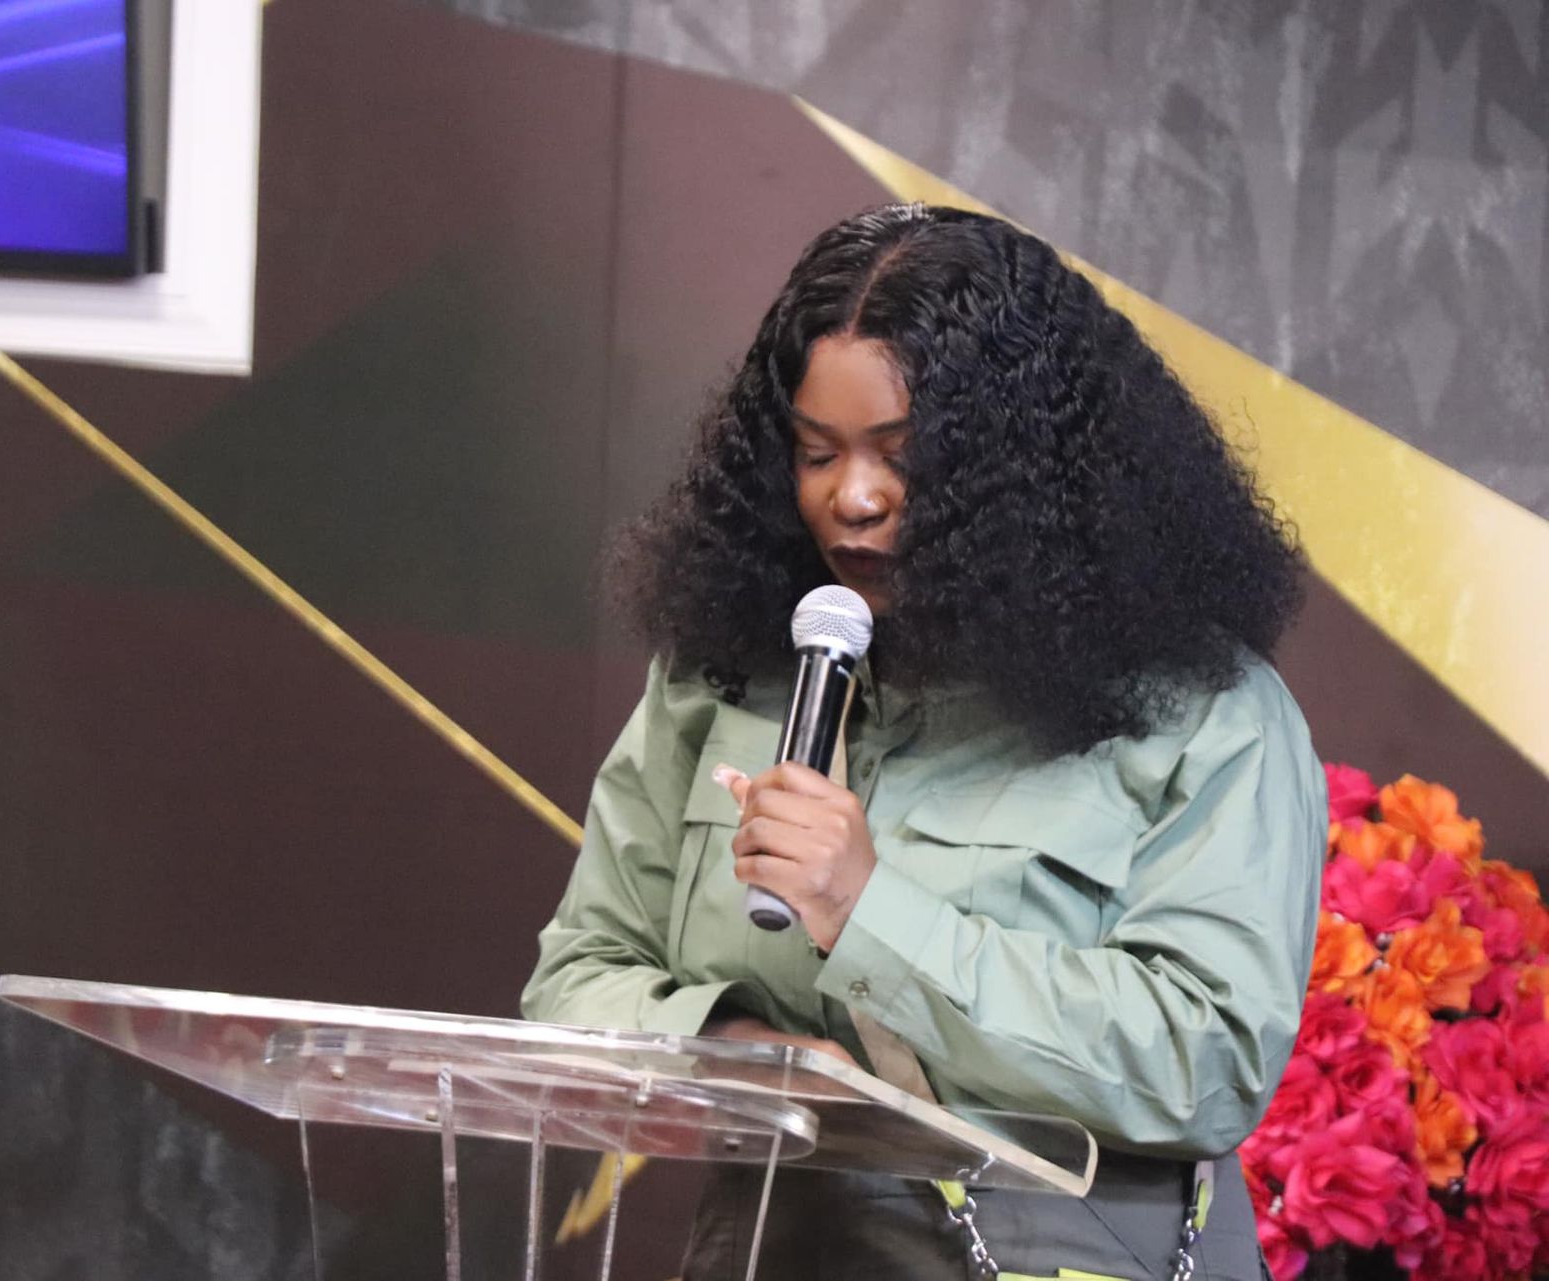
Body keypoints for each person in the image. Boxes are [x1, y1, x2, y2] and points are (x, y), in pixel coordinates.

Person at [522, 204, 1325, 1280]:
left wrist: (868, 913)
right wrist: (727, 1055)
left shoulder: (1207, 713)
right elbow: (580, 972)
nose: (851, 497)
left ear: (1030, 471)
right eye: (815, 453)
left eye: (903, 457)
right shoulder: (725, 678)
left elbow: (1206, 1060)